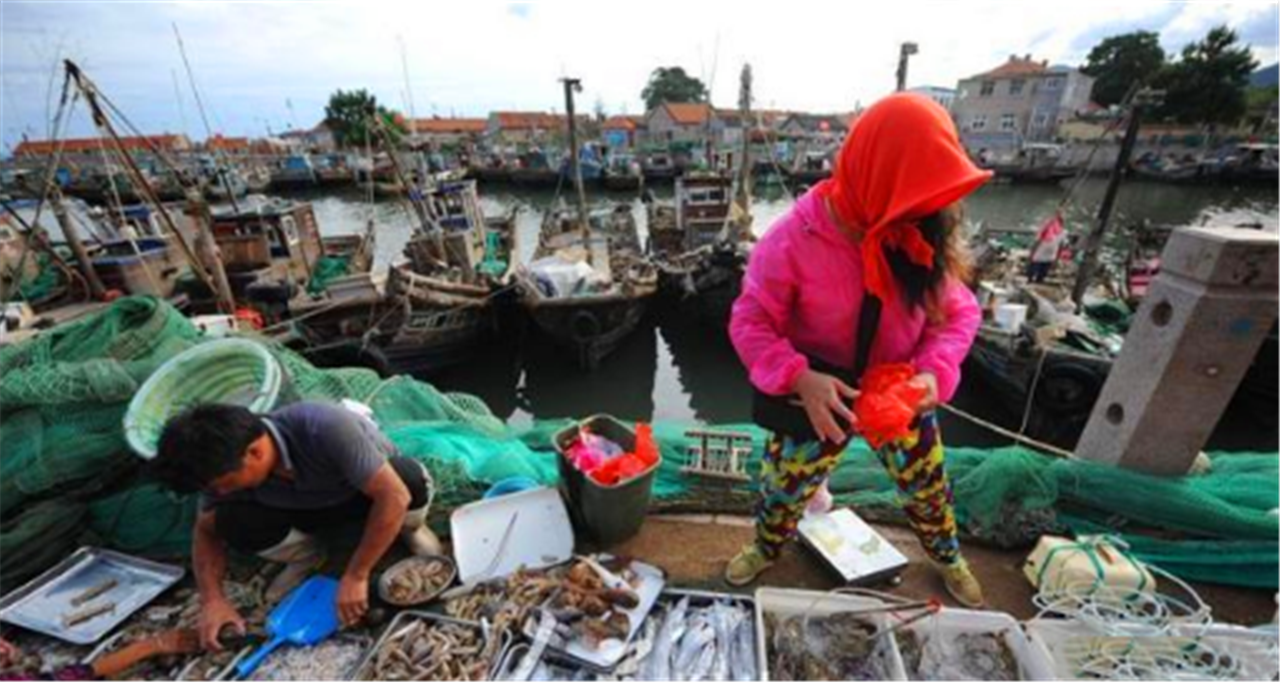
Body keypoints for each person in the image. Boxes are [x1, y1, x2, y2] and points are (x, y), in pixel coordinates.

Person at [724, 93, 989, 607]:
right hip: (823, 392)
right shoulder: (791, 241)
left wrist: (934, 373)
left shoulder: (922, 235)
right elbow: (750, 320)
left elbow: (959, 316)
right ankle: (765, 547)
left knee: (928, 487)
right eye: (912, 192)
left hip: (900, 390)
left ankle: (948, 556)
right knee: (782, 489)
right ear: (873, 169)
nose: (926, 207)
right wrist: (797, 376)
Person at [149, 401, 441, 650]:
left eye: (226, 484)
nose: (221, 492)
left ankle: (410, 531)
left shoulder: (324, 426)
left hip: (364, 496)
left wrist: (356, 575)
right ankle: (309, 556)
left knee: (406, 479)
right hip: (305, 509)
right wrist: (212, 600)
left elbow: (392, 495)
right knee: (229, 520)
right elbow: (204, 531)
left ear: (254, 452)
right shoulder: (221, 469)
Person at [1027, 211, 1066, 283]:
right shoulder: (1044, 230)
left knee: (1042, 275)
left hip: (1050, 257)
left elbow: (1060, 246)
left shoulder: (1062, 233)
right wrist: (1031, 254)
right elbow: (1036, 243)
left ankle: (1037, 283)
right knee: (1032, 273)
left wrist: (1056, 259)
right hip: (1038, 256)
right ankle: (1030, 282)